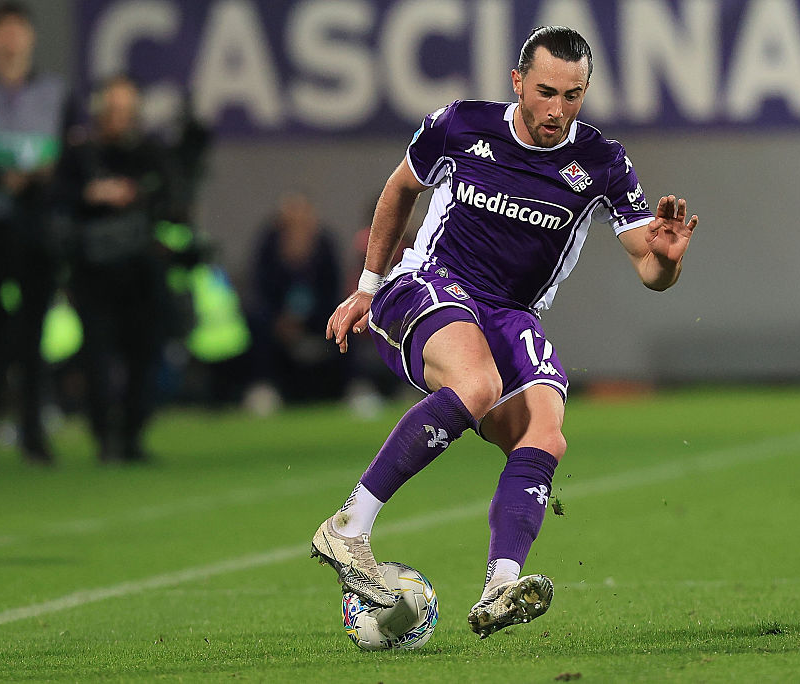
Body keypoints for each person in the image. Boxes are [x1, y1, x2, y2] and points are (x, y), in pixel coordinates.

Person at [313, 26, 698, 638]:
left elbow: (648, 269)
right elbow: (400, 190)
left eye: (573, 96)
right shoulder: (461, 124)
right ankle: (350, 527)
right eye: (545, 92)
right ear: (517, 81)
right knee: (477, 384)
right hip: (430, 283)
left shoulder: (601, 161)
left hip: (511, 312)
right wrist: (365, 285)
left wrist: (668, 258)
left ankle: (500, 584)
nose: (557, 109)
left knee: (546, 433)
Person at [54, 75, 180, 462]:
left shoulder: (149, 152)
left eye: (126, 110)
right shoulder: (80, 153)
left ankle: (132, 434)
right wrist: (92, 194)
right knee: (96, 354)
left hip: (140, 268)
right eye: (113, 109)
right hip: (92, 268)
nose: (119, 117)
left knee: (144, 352)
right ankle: (104, 436)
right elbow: (59, 198)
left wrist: (136, 192)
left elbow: (172, 195)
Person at [0, 2, 70, 466]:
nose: (10, 40)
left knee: (31, 335)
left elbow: (69, 157)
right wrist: (0, 174)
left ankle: (33, 433)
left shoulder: (54, 92)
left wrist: (40, 176)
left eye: (17, 31)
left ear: (29, 38)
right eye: (2, 32)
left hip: (35, 228)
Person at [243, 191, 347, 410]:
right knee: (256, 323)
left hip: (318, 319)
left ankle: (354, 388)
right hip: (276, 320)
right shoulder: (268, 246)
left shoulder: (325, 245)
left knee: (347, 322)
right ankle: (263, 388)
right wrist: (282, 321)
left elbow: (332, 289)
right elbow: (260, 288)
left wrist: (307, 319)